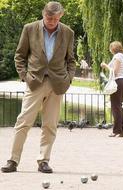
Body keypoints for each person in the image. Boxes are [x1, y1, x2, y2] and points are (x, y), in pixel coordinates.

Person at [1, 1, 76, 173]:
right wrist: (25, 76)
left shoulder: (68, 32)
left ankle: (43, 160)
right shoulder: (29, 28)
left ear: (61, 16)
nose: (52, 22)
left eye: (56, 19)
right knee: (23, 122)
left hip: (57, 84)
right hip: (34, 81)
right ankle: (13, 160)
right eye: (49, 18)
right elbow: (19, 56)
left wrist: (69, 79)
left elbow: (71, 60)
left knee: (50, 124)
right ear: (43, 14)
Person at [101, 41, 123, 137]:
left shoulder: (117, 57)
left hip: (118, 82)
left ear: (112, 49)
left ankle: (117, 130)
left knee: (115, 107)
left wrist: (105, 66)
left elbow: (115, 71)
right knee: (119, 106)